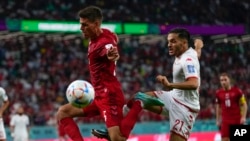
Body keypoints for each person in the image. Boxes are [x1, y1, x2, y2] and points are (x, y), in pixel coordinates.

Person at [56, 5, 164, 141]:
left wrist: (112, 54)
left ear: (96, 24)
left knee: (118, 139)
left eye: (85, 25)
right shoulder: (106, 33)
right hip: (97, 95)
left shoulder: (102, 43)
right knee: (63, 113)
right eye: (81, 24)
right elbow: (114, 38)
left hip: (109, 96)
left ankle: (138, 103)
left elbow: (109, 49)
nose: (81, 28)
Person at [93, 27, 202, 141]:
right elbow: (196, 54)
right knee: (139, 98)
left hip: (185, 109)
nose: (169, 45)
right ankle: (117, 133)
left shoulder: (187, 60)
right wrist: (199, 46)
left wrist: (170, 85)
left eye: (173, 41)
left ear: (184, 43)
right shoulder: (190, 53)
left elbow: (194, 83)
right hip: (173, 97)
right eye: (168, 41)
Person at [215, 72, 248, 141]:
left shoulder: (237, 91)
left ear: (229, 80)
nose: (223, 82)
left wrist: (243, 117)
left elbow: (244, 104)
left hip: (237, 119)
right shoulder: (218, 93)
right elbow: (218, 107)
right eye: (221, 80)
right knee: (224, 139)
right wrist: (218, 119)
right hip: (225, 121)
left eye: (225, 80)